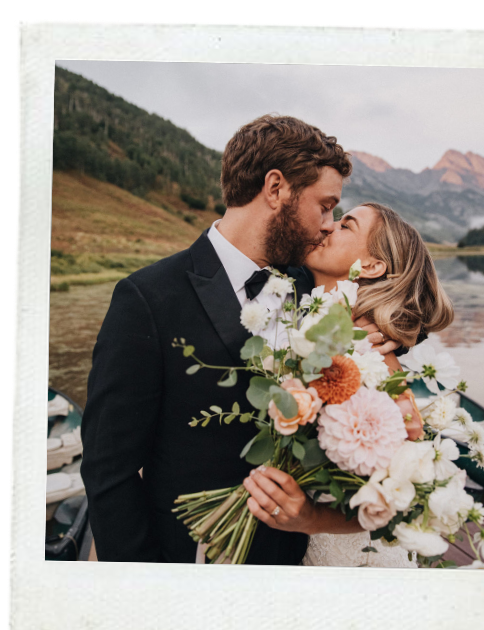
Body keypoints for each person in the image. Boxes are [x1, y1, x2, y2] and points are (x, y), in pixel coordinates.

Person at [80, 115, 400, 564]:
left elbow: (389, 301)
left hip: (292, 565)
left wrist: (389, 343)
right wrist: (145, 582)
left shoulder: (311, 288)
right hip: (187, 561)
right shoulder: (148, 297)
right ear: (275, 188)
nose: (329, 224)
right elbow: (107, 467)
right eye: (324, 205)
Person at [242, 202, 455, 567]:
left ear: (372, 266)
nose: (327, 227)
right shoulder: (302, 301)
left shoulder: (372, 356)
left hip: (350, 559)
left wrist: (311, 518)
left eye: (346, 225)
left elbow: (400, 496)